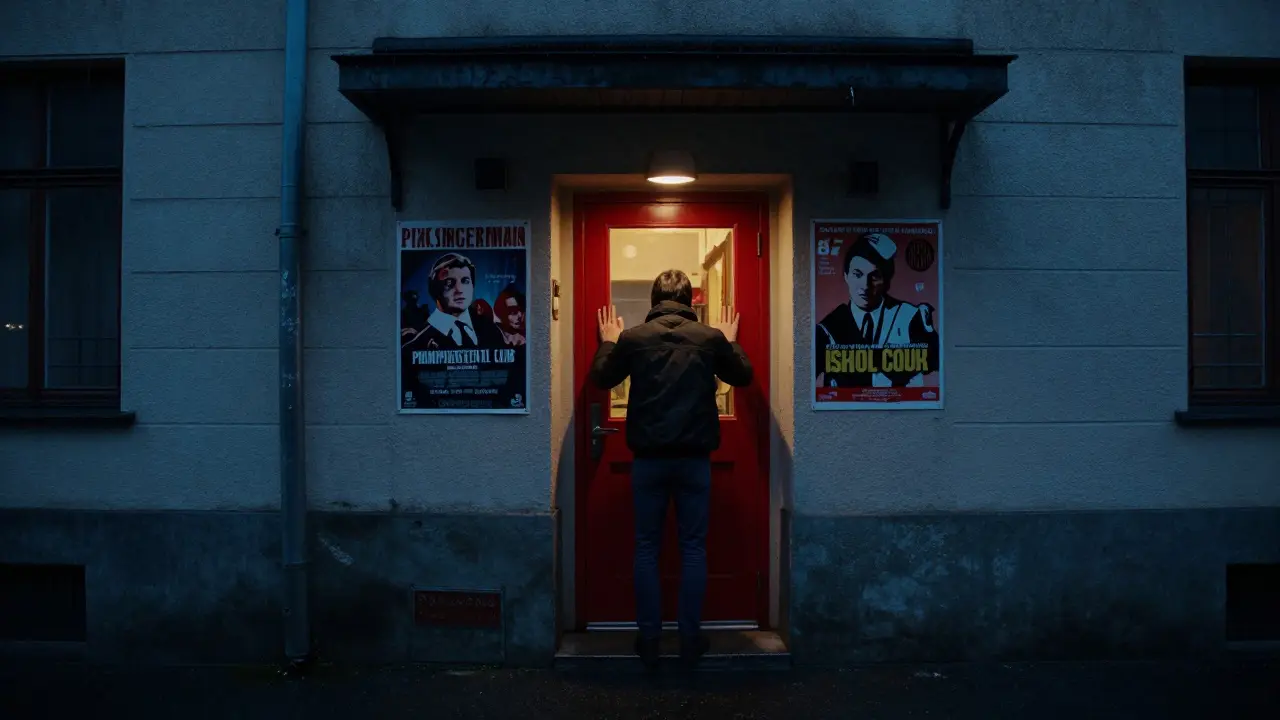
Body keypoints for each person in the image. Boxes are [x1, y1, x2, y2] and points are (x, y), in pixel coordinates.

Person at [589, 269, 753, 669]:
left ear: (654, 300)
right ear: (691, 300)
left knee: (646, 547)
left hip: (648, 461)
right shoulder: (709, 338)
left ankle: (648, 642)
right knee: (693, 548)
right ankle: (689, 640)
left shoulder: (633, 339)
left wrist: (608, 341)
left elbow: (601, 378)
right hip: (694, 462)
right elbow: (742, 376)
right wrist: (730, 339)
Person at [814, 232, 939, 388]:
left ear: (886, 281)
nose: (865, 286)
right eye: (857, 274)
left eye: (874, 277)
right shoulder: (829, 328)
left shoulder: (909, 316)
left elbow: (936, 362)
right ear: (846, 276)